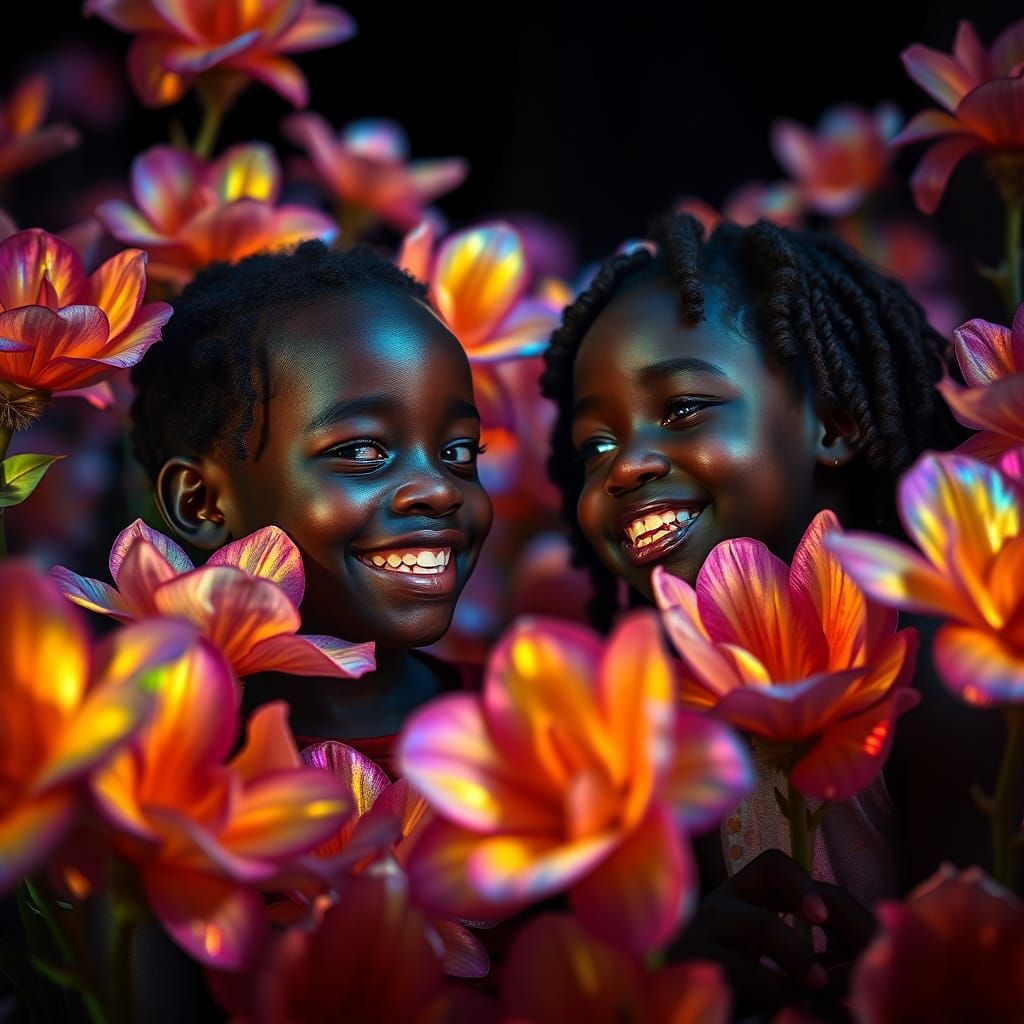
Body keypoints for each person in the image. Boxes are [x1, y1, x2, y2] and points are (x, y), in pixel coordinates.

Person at [540, 211, 992, 1014]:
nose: (626, 466)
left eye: (681, 408)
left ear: (837, 426)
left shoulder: (939, 668)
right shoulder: (652, 707)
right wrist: (688, 961)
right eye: (595, 447)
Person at [130, 239, 494, 777]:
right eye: (362, 452)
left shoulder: (532, 722)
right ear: (202, 502)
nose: (440, 490)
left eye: (458, 452)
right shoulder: (148, 758)